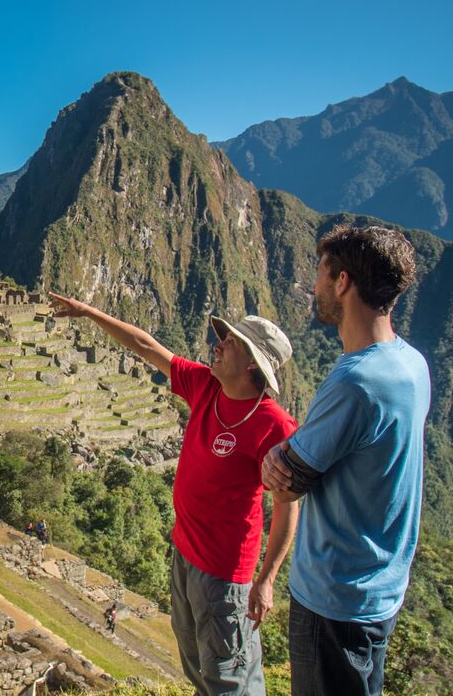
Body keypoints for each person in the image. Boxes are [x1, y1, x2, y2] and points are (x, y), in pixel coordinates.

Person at [50, 291, 299, 696]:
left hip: (225, 574)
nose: (217, 346)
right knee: (197, 666)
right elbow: (147, 346)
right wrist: (88, 312)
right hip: (184, 555)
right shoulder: (205, 386)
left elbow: (288, 508)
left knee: (229, 676)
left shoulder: (274, 425)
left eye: (229, 343)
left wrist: (267, 579)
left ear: (252, 363)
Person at [261, 225, 429, 696]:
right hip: (380, 591)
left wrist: (278, 455)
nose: (313, 286)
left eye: (320, 273)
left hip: (333, 599)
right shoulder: (412, 364)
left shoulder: (355, 382)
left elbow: (287, 482)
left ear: (343, 282)